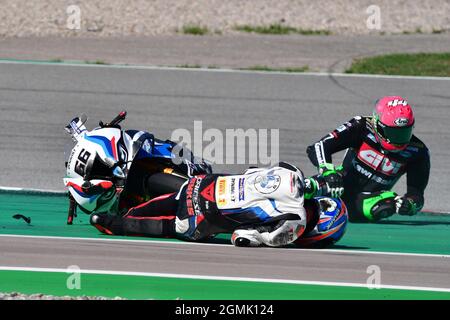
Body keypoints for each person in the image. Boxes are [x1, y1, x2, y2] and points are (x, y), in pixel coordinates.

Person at [89, 162, 346, 247]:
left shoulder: (293, 171)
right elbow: (241, 238)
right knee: (169, 227)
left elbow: (252, 170)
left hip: (203, 185)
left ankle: (116, 211)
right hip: (202, 219)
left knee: (173, 199)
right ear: (323, 229)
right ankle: (110, 224)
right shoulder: (295, 224)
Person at [306, 96, 430, 222]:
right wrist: (328, 171)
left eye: (404, 133)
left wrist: (409, 205)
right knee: (308, 187)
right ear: (377, 124)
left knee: (387, 205)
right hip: (339, 185)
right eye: (392, 133)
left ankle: (339, 215)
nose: (398, 140)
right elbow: (318, 146)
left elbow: (417, 195)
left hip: (369, 200)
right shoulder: (361, 126)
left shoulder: (418, 151)